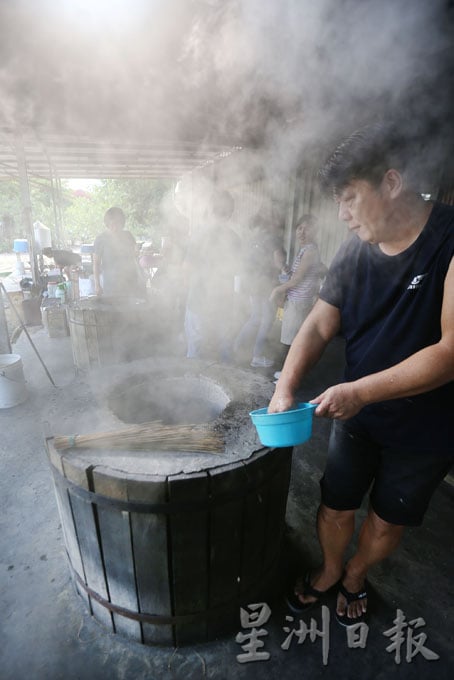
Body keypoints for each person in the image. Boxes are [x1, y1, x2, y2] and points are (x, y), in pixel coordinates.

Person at [268, 122, 454, 627]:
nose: (343, 215)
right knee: (335, 504)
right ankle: (329, 570)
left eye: (350, 199)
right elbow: (319, 322)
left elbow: (450, 350)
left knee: (388, 519)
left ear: (391, 183)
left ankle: (355, 575)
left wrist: (360, 390)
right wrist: (284, 388)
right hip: (356, 415)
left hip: (427, 427)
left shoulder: (449, 240)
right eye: (338, 203)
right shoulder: (354, 252)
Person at [184, 190, 241, 362]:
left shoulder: (198, 236)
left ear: (209, 210)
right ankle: (228, 386)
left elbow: (186, 267)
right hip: (224, 304)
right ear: (230, 213)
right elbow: (238, 272)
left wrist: (188, 292)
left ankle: (195, 385)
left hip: (198, 301)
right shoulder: (234, 238)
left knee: (196, 351)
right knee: (224, 350)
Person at [270, 215, 322, 376]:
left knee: (291, 342)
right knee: (291, 339)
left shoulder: (310, 251)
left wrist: (277, 290)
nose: (302, 232)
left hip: (299, 304)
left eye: (307, 228)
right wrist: (283, 267)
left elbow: (297, 280)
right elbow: (295, 275)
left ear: (315, 231)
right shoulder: (305, 250)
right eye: (300, 228)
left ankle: (287, 376)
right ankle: (288, 373)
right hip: (295, 301)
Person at [233, 220, 280, 368]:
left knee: (255, 318)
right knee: (267, 319)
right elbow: (278, 261)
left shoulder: (252, 241)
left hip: (252, 285)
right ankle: (257, 356)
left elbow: (243, 264)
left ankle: (236, 346)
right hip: (264, 285)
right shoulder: (272, 239)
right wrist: (285, 271)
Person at [93, 207, 143, 298]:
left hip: (130, 282)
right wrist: (97, 285)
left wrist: (137, 252)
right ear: (107, 224)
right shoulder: (101, 239)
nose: (115, 228)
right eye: (112, 224)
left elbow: (135, 254)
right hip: (111, 286)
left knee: (132, 310)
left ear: (122, 223)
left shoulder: (128, 235)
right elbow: (96, 263)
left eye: (118, 224)